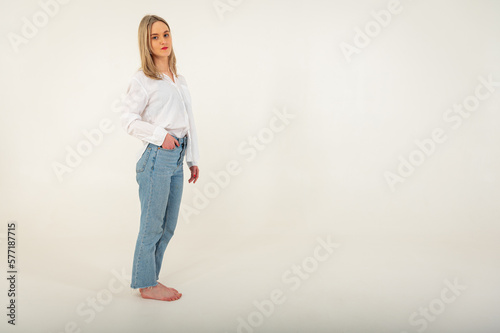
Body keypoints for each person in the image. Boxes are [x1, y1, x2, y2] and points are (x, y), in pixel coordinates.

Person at [120, 14, 200, 301]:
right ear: (146, 41)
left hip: (177, 156)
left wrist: (192, 158)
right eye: (155, 36)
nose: (162, 41)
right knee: (152, 225)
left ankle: (150, 279)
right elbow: (128, 120)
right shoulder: (142, 80)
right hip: (157, 157)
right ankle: (147, 284)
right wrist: (160, 136)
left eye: (165, 34)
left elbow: (188, 120)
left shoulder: (179, 79)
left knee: (168, 226)